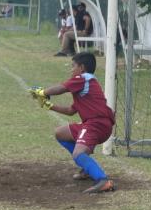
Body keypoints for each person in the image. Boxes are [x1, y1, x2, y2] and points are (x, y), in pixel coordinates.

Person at [29, 52, 115, 193]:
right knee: (60, 133)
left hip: (96, 124)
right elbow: (70, 110)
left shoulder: (82, 79)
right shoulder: (86, 85)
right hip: (96, 124)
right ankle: (87, 169)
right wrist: (50, 106)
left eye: (73, 66)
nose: (71, 69)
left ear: (81, 68)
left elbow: (62, 88)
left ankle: (103, 180)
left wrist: (43, 92)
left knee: (77, 154)